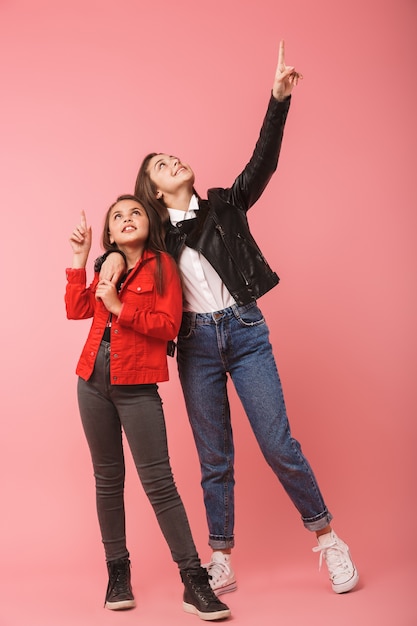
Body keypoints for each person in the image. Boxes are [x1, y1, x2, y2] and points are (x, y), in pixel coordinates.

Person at [100, 41, 359, 596]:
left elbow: (261, 162)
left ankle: (328, 539)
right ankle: (222, 557)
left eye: (172, 156)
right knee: (214, 456)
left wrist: (278, 101)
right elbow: (120, 245)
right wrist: (96, 263)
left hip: (244, 331)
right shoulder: (156, 238)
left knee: (277, 442)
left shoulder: (225, 204)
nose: (172, 161)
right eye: (160, 166)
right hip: (194, 343)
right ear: (154, 190)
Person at [65, 194, 231, 621]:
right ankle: (117, 573)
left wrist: (121, 308)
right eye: (117, 216)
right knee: (107, 480)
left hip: (137, 386)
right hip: (91, 382)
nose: (126, 219)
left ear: (148, 223)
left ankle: (193, 580)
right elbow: (76, 308)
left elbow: (169, 325)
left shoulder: (162, 267)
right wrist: (81, 260)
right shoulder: (107, 265)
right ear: (109, 232)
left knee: (160, 484)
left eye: (134, 212)